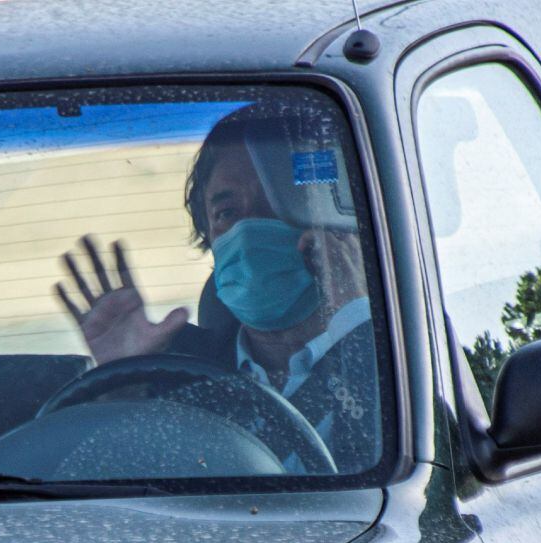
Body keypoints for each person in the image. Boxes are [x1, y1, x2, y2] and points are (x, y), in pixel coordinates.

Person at [54, 105, 381, 472]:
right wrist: (123, 387)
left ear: (331, 217)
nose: (250, 229)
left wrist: (357, 325)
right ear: (208, 237)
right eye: (227, 214)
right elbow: (116, 501)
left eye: (277, 203)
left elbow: (413, 484)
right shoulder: (176, 376)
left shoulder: (405, 344)